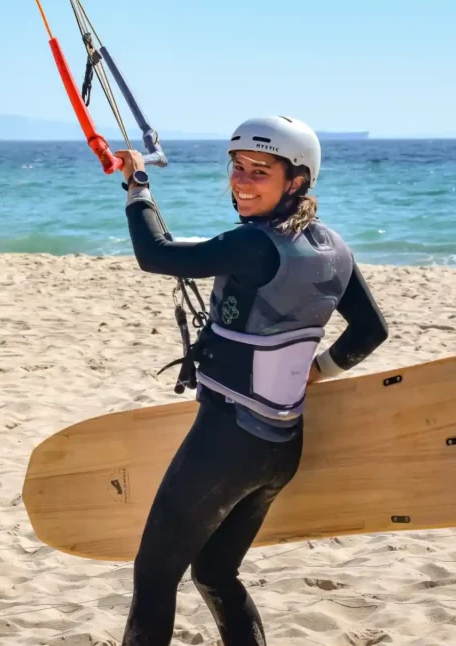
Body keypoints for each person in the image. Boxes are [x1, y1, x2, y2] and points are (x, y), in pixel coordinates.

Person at [115, 116, 390, 645]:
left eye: (259, 171)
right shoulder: (333, 247)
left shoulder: (252, 245)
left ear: (297, 180)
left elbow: (155, 255)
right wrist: (319, 368)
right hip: (281, 448)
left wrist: (137, 185)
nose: (241, 181)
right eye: (237, 168)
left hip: (226, 443)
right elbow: (371, 330)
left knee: (154, 576)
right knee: (215, 573)